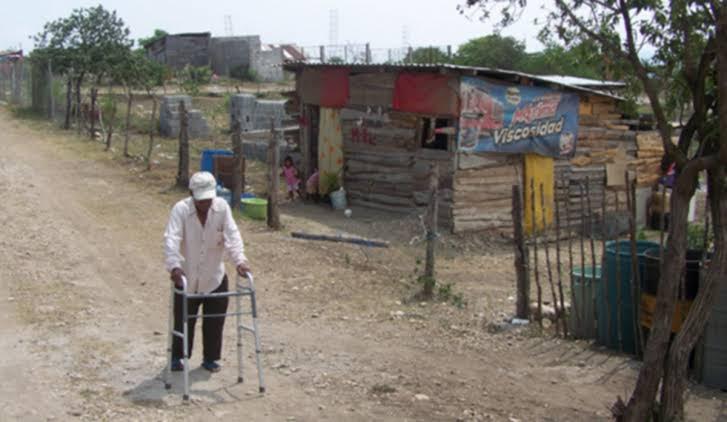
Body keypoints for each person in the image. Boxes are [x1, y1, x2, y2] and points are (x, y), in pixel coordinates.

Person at [164, 171, 251, 373]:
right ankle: (178, 356)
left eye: (208, 199)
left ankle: (210, 358)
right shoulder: (181, 210)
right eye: (201, 200)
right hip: (187, 276)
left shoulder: (222, 208)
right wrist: (174, 266)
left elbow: (232, 236)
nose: (205, 204)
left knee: (215, 320)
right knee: (184, 320)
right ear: (191, 194)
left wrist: (240, 261)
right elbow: (171, 239)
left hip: (214, 276)